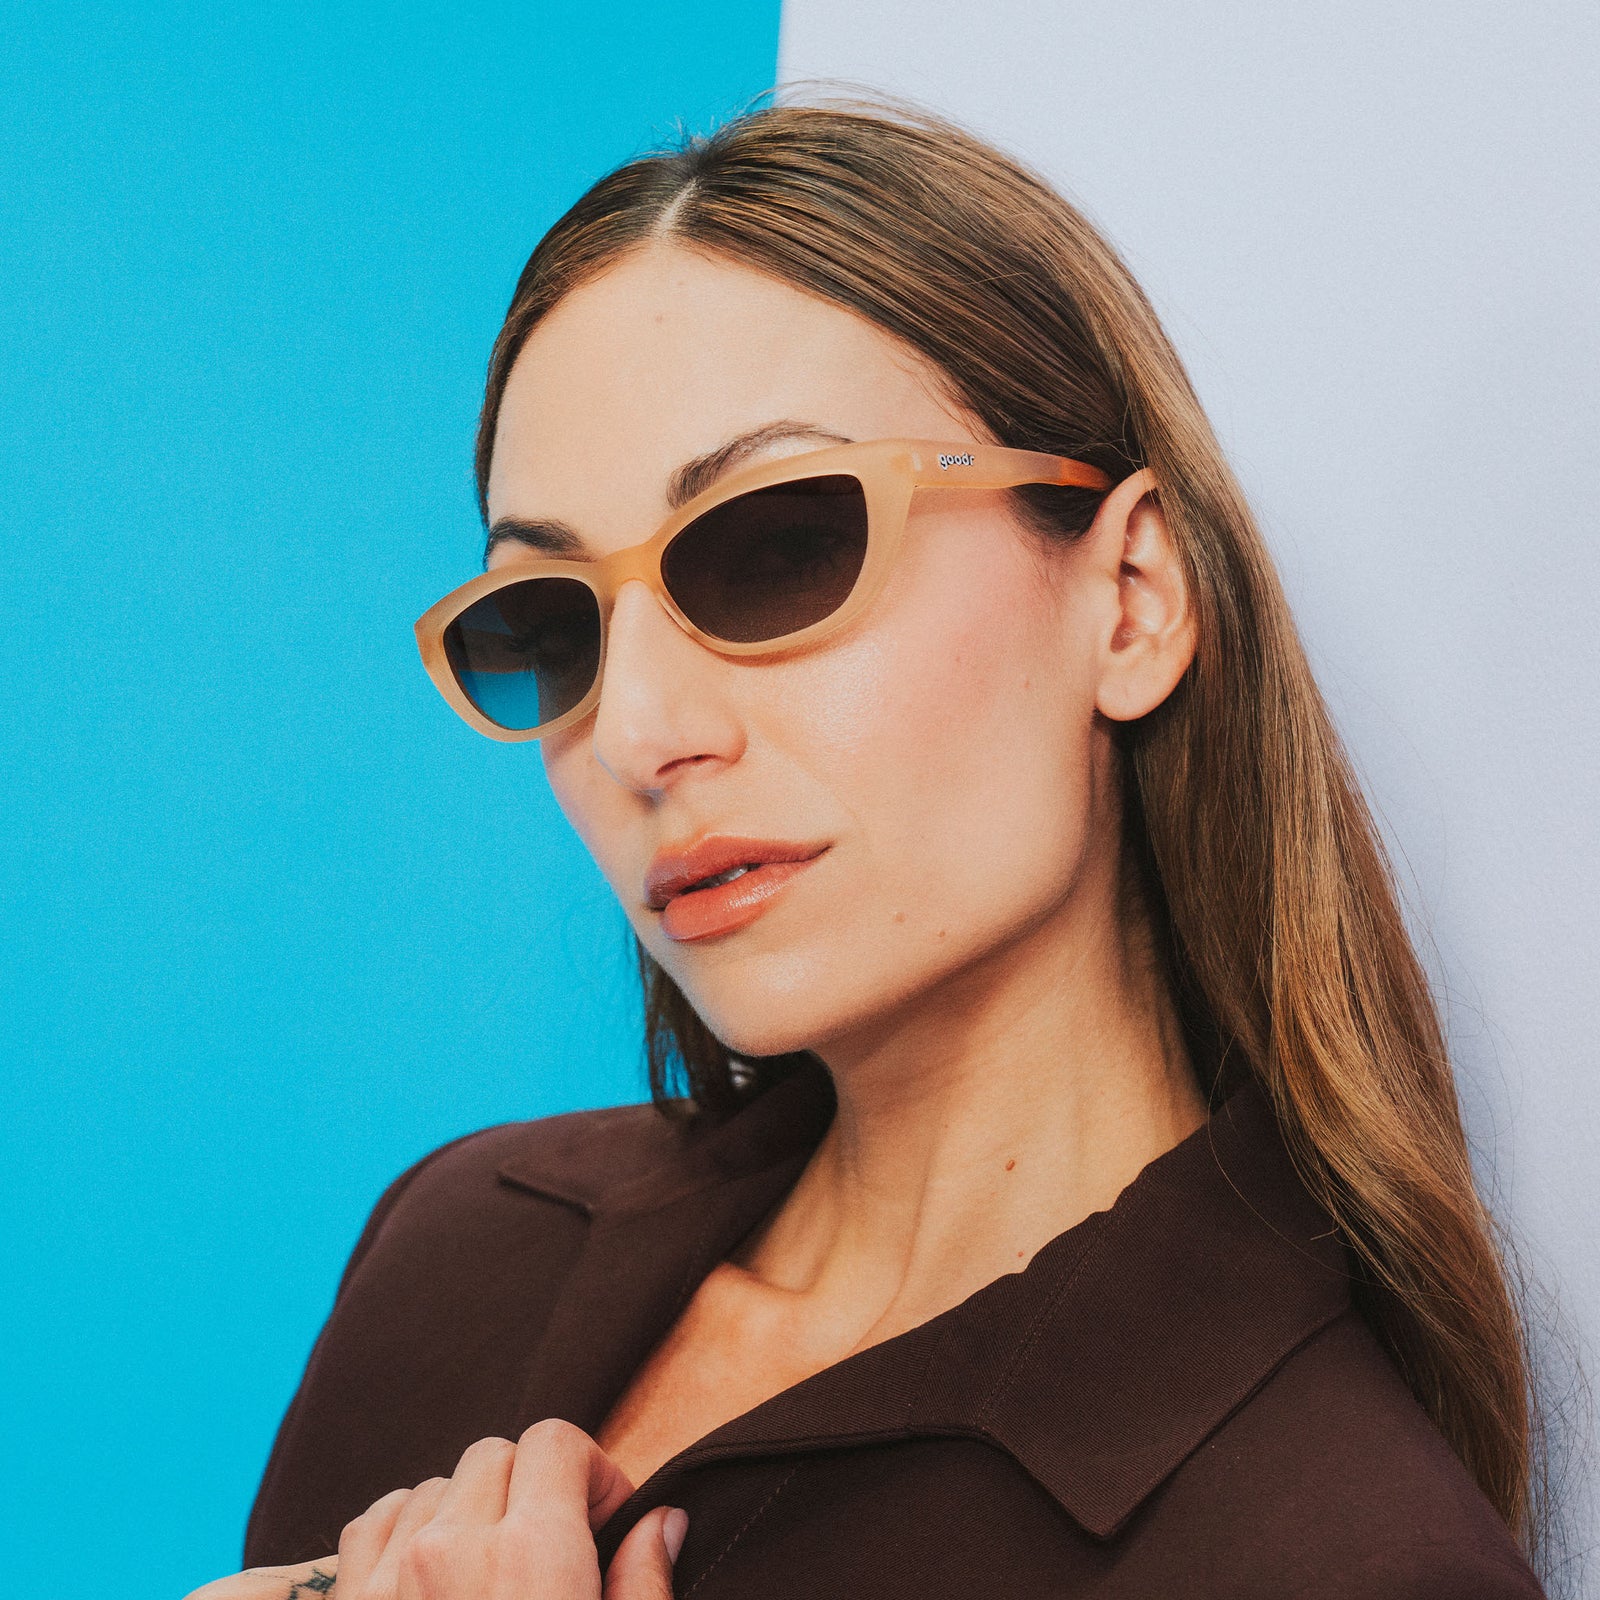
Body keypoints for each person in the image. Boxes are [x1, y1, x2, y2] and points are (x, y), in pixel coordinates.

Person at [188, 97, 1551, 1598]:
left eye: (780, 546)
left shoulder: (1338, 1558)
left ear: (1132, 598)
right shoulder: (453, 1256)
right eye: (552, 624)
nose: (637, 730)